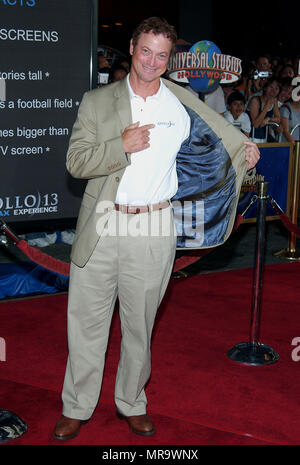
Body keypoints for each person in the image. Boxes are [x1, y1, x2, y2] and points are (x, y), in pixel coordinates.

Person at [53, 17, 260, 441]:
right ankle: (77, 405)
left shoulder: (182, 103)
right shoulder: (98, 100)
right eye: (145, 50)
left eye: (161, 55)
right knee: (86, 323)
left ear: (169, 60)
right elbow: (76, 163)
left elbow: (220, 137)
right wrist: (120, 146)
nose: (151, 61)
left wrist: (246, 149)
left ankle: (132, 402)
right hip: (104, 221)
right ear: (132, 47)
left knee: (140, 325)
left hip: (154, 225)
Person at [247, 77, 281, 142]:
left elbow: (278, 118)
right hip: (251, 137)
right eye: (271, 87)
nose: (273, 91)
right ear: (265, 88)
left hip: (264, 138)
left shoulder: (274, 101)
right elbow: (256, 124)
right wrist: (266, 107)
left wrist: (268, 119)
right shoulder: (255, 100)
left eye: (276, 88)